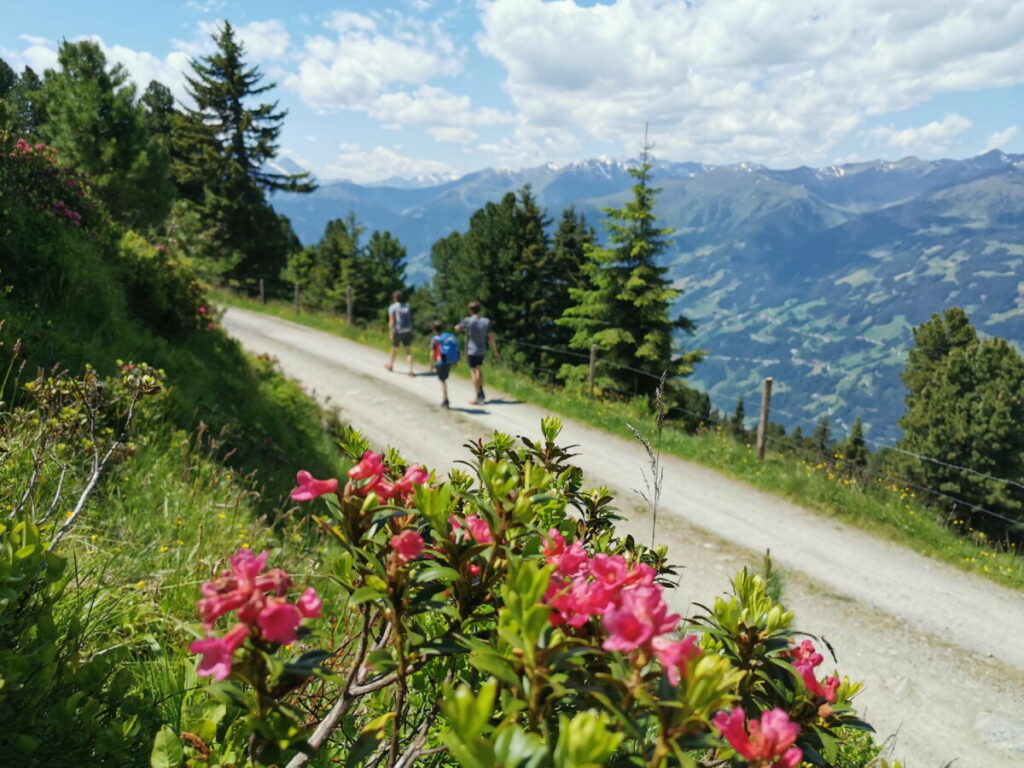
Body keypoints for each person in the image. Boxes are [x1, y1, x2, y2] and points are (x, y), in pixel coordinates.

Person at [455, 300, 499, 405]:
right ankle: (481, 391)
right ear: (479, 309)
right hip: (482, 349)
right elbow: (491, 337)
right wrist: (495, 351)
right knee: (479, 369)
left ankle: (478, 395)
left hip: (472, 350)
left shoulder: (468, 321)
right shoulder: (486, 321)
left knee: (473, 371)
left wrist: (465, 329)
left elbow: (456, 328)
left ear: (470, 310)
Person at [385, 290, 414, 376]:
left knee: (394, 348)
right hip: (408, 330)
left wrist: (391, 331)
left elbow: (392, 320)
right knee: (408, 352)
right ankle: (410, 371)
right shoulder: (407, 306)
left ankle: (390, 365)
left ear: (394, 298)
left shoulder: (392, 307)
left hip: (398, 330)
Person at [429, 320, 452, 409]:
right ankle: (445, 399)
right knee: (444, 379)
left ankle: (445, 400)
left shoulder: (434, 339)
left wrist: (431, 365)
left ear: (434, 330)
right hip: (448, 361)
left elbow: (432, 352)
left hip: (439, 361)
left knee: (442, 381)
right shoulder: (447, 337)